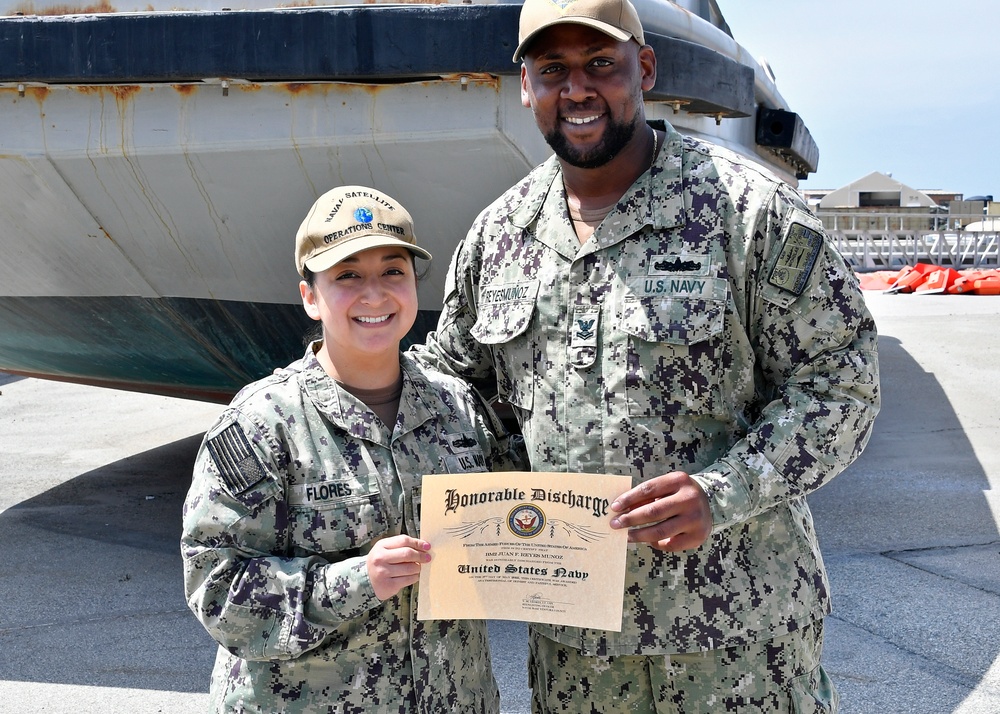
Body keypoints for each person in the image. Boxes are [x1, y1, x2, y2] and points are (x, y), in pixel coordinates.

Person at [410, 0, 881, 711]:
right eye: (552, 70)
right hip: (579, 654)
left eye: (602, 63)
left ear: (646, 69)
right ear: (526, 88)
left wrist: (722, 493)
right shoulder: (499, 236)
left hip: (737, 640)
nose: (577, 89)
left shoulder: (746, 211)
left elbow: (841, 388)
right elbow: (452, 396)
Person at [181, 185, 524, 713]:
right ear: (310, 297)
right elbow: (218, 591)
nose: (374, 294)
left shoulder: (456, 406)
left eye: (393, 271)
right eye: (347, 275)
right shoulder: (263, 424)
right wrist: (358, 579)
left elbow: (515, 518)